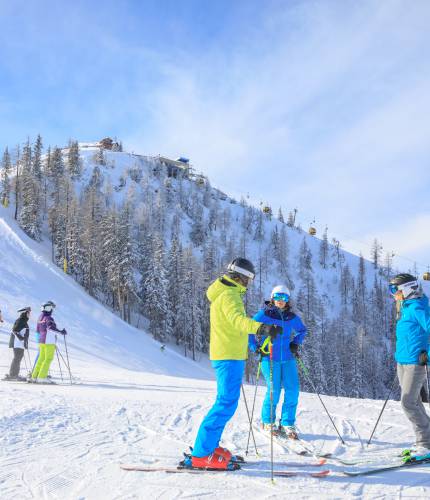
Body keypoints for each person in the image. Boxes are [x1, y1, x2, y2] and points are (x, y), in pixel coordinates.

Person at [190, 258, 282, 470]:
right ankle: (202, 454)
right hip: (228, 356)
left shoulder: (226, 293)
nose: (249, 283)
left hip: (228, 354)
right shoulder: (230, 295)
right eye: (249, 278)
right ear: (240, 276)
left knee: (227, 402)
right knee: (225, 403)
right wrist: (263, 328)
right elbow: (238, 321)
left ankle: (209, 447)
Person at [249, 285, 307, 440]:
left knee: (293, 389)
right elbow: (249, 329)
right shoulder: (265, 314)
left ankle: (287, 423)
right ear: (272, 298)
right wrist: (256, 347)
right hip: (269, 357)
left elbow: (302, 330)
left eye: (284, 298)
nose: (281, 301)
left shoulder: (291, 317)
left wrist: (295, 343)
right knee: (274, 389)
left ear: (288, 300)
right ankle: (267, 422)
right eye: (278, 297)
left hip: (287, 357)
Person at [389, 273, 430, 454]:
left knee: (407, 402)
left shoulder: (417, 308)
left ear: (406, 289)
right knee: (414, 401)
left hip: (415, 362)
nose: (393, 294)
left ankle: (426, 443)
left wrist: (427, 354)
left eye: (394, 290)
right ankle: (424, 440)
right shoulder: (405, 307)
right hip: (403, 361)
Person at [31, 301, 67, 383]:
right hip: (48, 342)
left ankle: (34, 376)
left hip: (41, 341)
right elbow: (50, 327)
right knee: (48, 359)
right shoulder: (48, 318)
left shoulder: (40, 317)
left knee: (41, 358)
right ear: (49, 308)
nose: (52, 310)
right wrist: (61, 332)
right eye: (51, 308)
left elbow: (38, 329)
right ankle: (42, 377)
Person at [5, 307, 31, 381]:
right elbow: (14, 330)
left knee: (18, 358)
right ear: (24, 313)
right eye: (28, 313)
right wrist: (21, 338)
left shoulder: (23, 321)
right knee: (17, 358)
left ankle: (14, 374)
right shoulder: (21, 320)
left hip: (20, 344)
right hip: (18, 343)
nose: (29, 314)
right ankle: (13, 375)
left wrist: (24, 340)